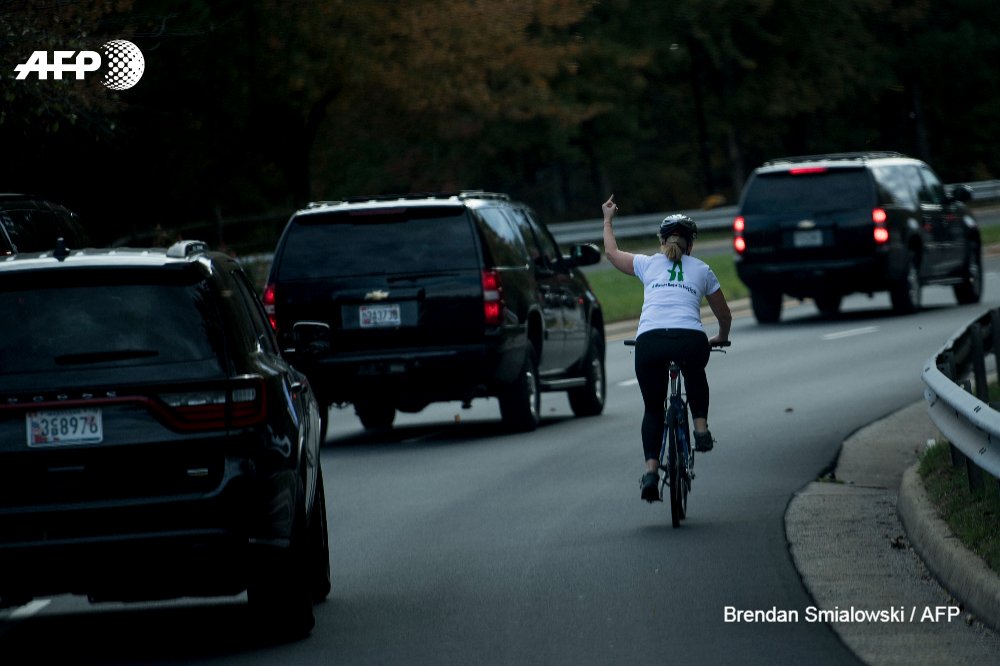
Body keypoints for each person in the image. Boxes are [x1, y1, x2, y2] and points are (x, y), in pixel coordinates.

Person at [601, 194, 732, 502]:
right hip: (690, 339)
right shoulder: (702, 269)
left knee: (652, 408)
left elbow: (611, 253)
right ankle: (700, 429)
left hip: (650, 341)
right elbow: (723, 314)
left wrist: (608, 219)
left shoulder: (647, 264)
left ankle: (649, 471)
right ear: (691, 244)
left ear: (661, 241)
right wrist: (721, 335)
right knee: (695, 371)